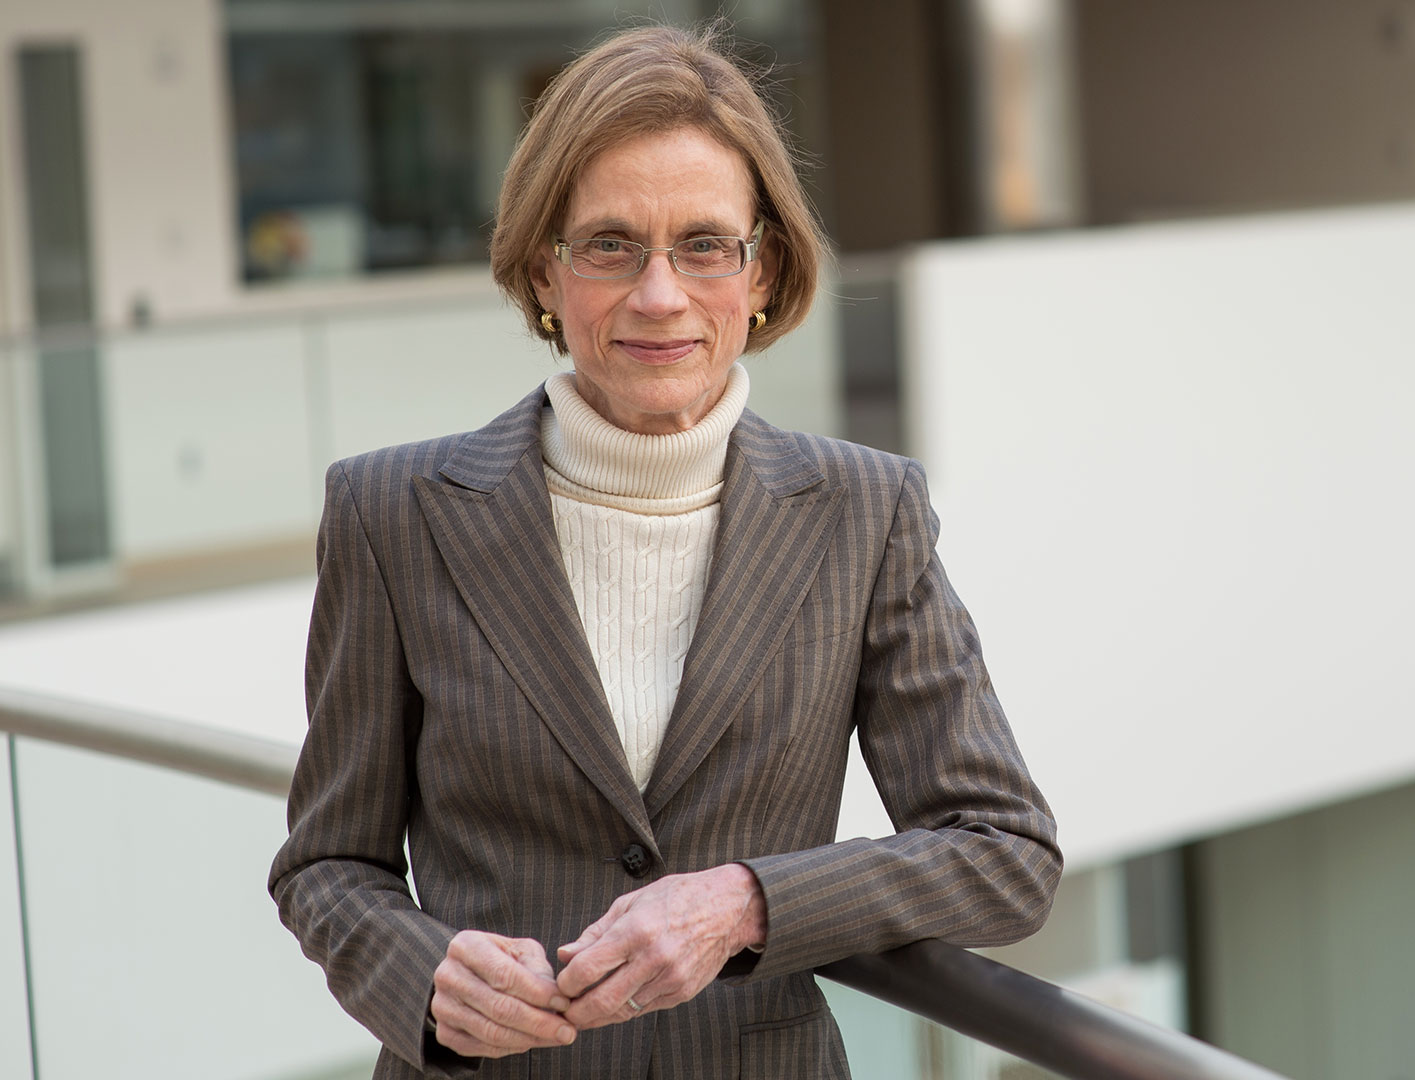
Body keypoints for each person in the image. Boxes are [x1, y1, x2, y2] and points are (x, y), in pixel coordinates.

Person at [268, 24, 1060, 1079]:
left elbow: (1003, 852)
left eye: (703, 244)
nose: (659, 295)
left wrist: (746, 902)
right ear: (545, 272)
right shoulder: (392, 514)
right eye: (609, 245)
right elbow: (327, 864)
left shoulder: (864, 512)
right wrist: (422, 975)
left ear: (762, 270)